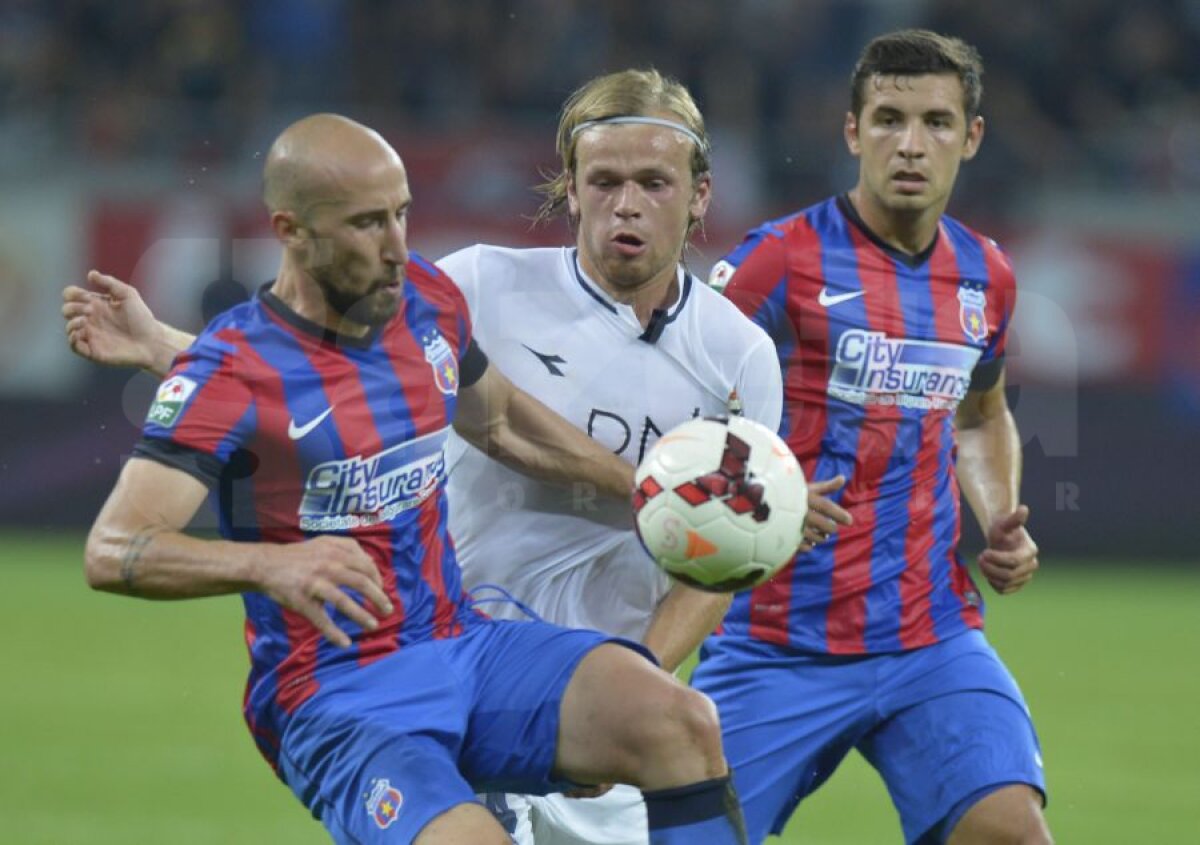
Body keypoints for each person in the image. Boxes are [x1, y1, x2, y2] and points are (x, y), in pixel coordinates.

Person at [65, 70, 839, 845]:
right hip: (342, 691)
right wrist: (271, 565)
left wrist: (691, 495)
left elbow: (503, 420)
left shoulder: (425, 303)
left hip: (464, 646)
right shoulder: (236, 367)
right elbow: (115, 547)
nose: (396, 246)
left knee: (682, 721)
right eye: (368, 223)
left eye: (401, 215)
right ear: (291, 231)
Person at [694, 30, 1054, 844]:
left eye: (936, 122)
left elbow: (981, 413)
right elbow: (681, 414)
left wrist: (999, 516)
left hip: (932, 636)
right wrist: (763, 492)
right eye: (889, 119)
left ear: (972, 137)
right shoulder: (776, 262)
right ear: (853, 132)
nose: (911, 144)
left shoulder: (986, 273)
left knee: (1011, 831)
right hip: (776, 640)